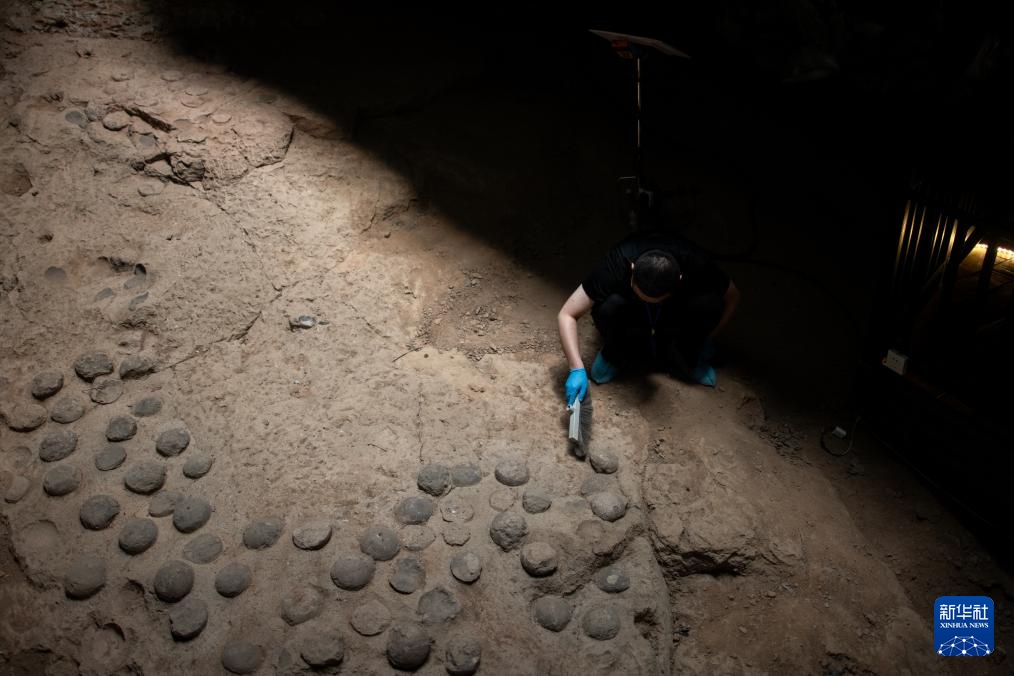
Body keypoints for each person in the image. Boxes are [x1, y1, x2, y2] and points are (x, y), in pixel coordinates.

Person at [558, 231, 739, 405]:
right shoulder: (618, 261)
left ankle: (687, 351)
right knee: (608, 307)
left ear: (680, 278)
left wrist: (707, 338)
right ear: (632, 268)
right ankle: (615, 352)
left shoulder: (696, 262)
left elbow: (733, 296)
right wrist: (576, 368)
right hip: (628, 307)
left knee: (711, 304)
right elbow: (567, 314)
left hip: (676, 306)